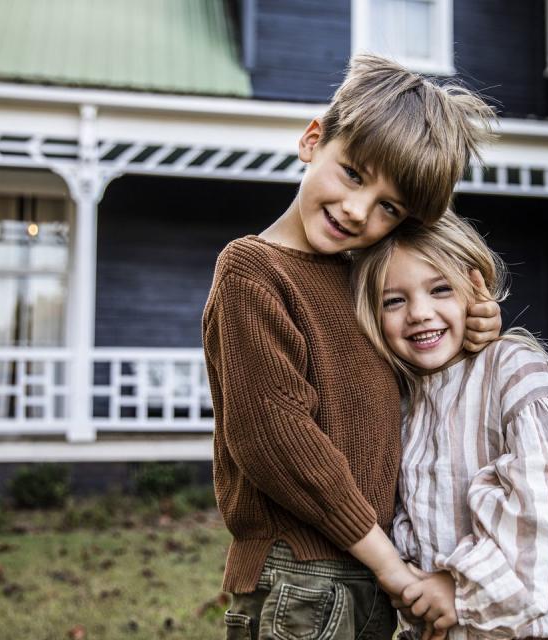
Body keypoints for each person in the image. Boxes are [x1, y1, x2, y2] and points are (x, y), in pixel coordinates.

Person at [201, 55, 498, 640]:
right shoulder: (253, 273)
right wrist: (390, 565)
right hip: (301, 577)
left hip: (357, 574)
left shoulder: (362, 280)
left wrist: (471, 331)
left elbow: (403, 383)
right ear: (314, 140)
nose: (358, 210)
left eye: (390, 207)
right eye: (354, 174)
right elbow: (275, 441)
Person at [350, 210, 548, 640]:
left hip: (539, 627)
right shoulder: (403, 405)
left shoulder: (513, 371)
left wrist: (458, 586)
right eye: (393, 300)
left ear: (474, 291)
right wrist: (412, 581)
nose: (419, 313)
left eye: (440, 289)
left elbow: (547, 510)